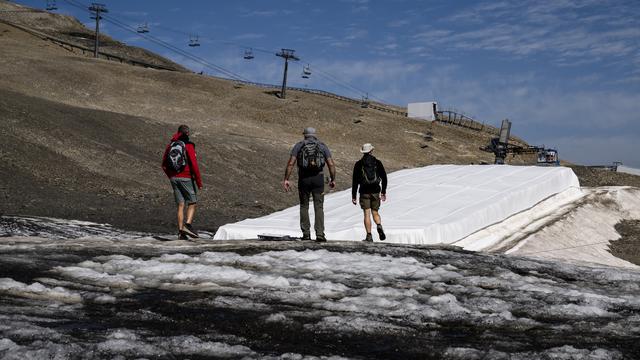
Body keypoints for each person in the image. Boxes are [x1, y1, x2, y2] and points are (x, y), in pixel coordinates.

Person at [283, 127, 336, 242]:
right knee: (319, 207)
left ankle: (306, 234)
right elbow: (331, 164)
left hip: (304, 179)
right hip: (318, 179)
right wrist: (333, 179)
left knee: (304, 206)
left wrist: (286, 179)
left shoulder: (299, 145)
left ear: (305, 135)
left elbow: (291, 163)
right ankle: (320, 234)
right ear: (315, 135)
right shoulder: (322, 146)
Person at [162, 125, 203, 240]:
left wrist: (171, 176)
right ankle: (188, 225)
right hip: (186, 177)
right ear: (188, 133)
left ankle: (181, 233)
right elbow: (194, 165)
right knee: (192, 202)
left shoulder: (171, 145)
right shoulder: (188, 145)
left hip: (173, 178)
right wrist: (198, 182)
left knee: (180, 205)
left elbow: (163, 164)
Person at [351, 143, 387, 242]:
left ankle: (369, 236)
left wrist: (353, 196)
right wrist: (383, 192)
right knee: (375, 212)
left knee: (367, 214)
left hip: (364, 192)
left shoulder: (358, 164)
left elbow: (355, 181)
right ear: (371, 151)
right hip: (375, 191)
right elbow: (384, 177)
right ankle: (379, 225)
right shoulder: (377, 162)